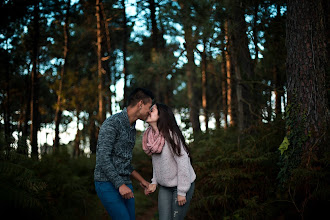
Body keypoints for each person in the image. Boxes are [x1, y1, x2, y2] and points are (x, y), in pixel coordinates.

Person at [94, 88, 154, 220]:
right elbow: (103, 158)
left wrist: (142, 181)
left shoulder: (132, 128)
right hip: (106, 182)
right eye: (149, 107)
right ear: (140, 104)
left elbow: (124, 163)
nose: (149, 112)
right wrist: (119, 184)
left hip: (126, 183)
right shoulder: (112, 124)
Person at [142, 103, 196, 220]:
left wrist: (182, 191)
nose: (148, 112)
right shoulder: (151, 137)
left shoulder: (171, 136)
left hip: (182, 185)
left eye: (152, 110)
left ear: (161, 115)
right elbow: (157, 163)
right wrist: (154, 182)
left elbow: (183, 163)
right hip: (165, 187)